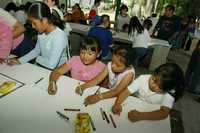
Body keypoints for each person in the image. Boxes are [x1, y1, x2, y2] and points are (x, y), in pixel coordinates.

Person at [112, 63, 185, 122]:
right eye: (154, 80)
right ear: (154, 73)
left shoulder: (169, 92)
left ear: (168, 89)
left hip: (151, 117)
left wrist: (141, 116)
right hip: (135, 108)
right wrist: (117, 103)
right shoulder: (142, 79)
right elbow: (126, 92)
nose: (154, 86)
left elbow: (164, 113)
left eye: (160, 88)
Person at [8, 2, 69, 70]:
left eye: (34, 23)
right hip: (45, 68)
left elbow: (51, 64)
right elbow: (36, 51)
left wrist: (36, 58)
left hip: (59, 72)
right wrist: (20, 60)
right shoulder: (41, 33)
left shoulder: (59, 36)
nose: (33, 26)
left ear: (44, 20)